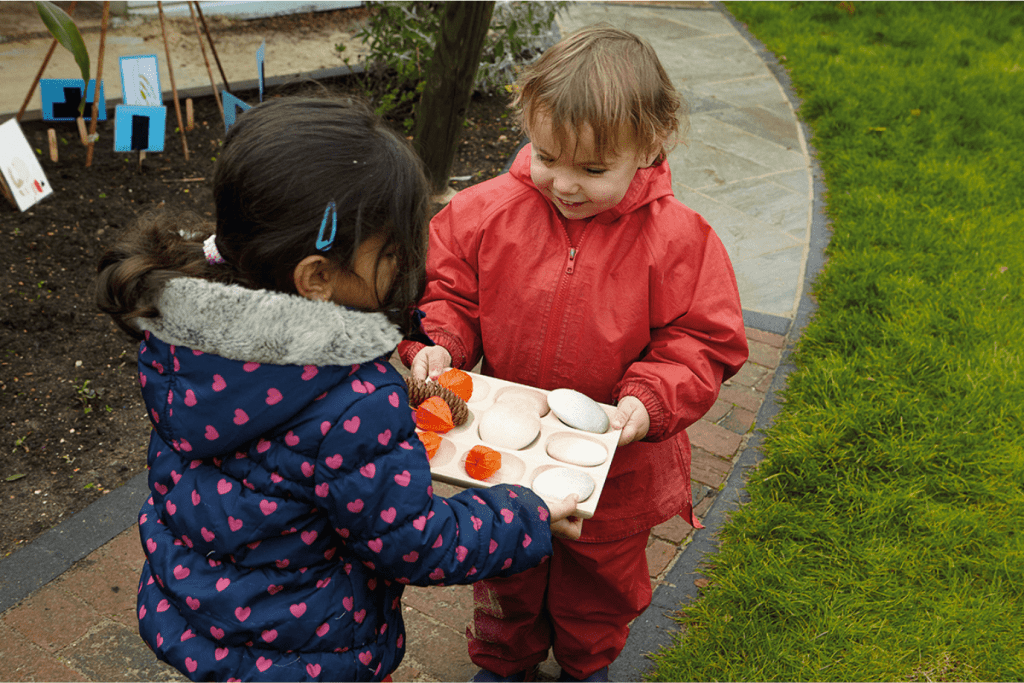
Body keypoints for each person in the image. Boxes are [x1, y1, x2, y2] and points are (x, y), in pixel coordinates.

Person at [95, 96, 581, 683]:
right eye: (391, 252)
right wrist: (525, 516)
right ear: (317, 278)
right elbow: (414, 542)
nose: (402, 263)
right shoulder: (356, 401)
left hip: (205, 616)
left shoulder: (182, 325)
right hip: (311, 650)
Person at [398, 25, 750, 682]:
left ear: (651, 146)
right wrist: (440, 345)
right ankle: (505, 661)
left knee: (599, 590)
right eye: (548, 155)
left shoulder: (680, 242)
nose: (563, 183)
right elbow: (446, 290)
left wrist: (643, 403)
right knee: (506, 571)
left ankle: (588, 665)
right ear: (528, 125)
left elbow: (699, 342)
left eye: (592, 169)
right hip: (505, 457)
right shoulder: (485, 213)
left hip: (617, 474)